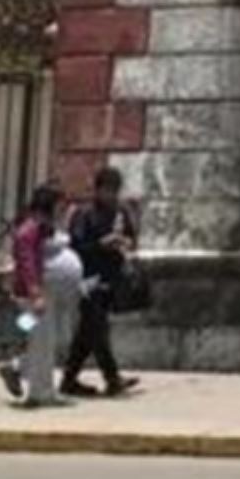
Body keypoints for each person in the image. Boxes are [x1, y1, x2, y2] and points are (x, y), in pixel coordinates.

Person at [61, 167, 140, 398]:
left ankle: (69, 378)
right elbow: (76, 248)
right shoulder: (84, 215)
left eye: (115, 191)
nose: (111, 196)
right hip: (87, 280)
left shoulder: (121, 213)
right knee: (97, 327)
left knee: (88, 331)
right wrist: (100, 245)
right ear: (97, 190)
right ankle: (112, 377)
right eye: (107, 190)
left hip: (111, 278)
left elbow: (132, 240)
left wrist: (123, 243)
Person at [0, 185, 67, 407]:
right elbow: (28, 266)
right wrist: (36, 295)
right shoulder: (29, 231)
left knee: (40, 339)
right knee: (42, 342)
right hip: (31, 297)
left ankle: (17, 367)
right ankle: (39, 392)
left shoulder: (38, 229)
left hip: (33, 296)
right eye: (59, 205)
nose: (61, 210)